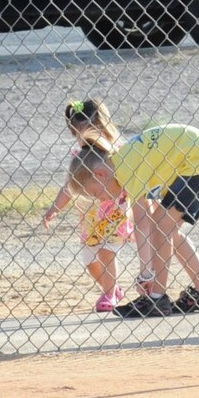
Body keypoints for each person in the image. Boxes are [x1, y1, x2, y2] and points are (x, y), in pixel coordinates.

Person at [71, 122, 199, 319]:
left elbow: (142, 224)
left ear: (101, 175)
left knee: (161, 226)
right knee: (167, 229)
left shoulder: (127, 170)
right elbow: (149, 216)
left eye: (96, 193)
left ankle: (156, 298)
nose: (102, 200)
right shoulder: (125, 161)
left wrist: (146, 274)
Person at [41, 99, 135, 312]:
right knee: (90, 260)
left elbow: (135, 183)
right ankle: (112, 288)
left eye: (90, 131)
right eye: (79, 134)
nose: (85, 139)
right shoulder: (80, 158)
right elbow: (69, 187)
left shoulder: (118, 152)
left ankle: (110, 294)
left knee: (106, 252)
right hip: (91, 220)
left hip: (115, 215)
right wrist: (55, 208)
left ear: (103, 125)